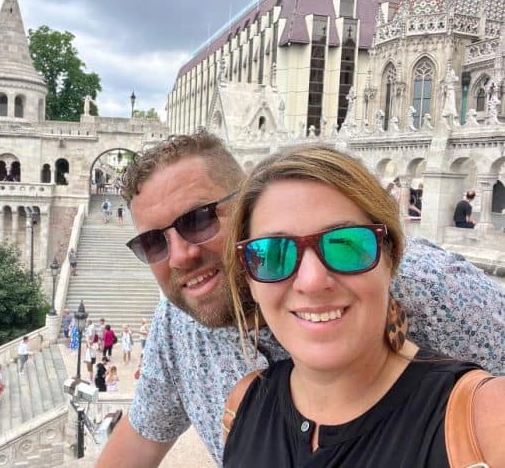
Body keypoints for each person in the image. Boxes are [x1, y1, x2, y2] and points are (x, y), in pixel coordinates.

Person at [96, 132, 505, 467]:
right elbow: (140, 437)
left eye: (198, 220)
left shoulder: (431, 287)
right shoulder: (191, 338)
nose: (181, 254)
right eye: (153, 243)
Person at [222, 145, 504, 466]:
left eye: (346, 245)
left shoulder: (484, 420)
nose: (312, 281)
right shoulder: (242, 404)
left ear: (390, 259)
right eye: (274, 254)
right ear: (250, 282)